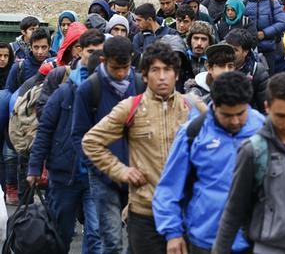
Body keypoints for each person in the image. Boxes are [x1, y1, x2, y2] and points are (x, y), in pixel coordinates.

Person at [82, 41, 206, 254]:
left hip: (186, 212)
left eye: (167, 70)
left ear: (176, 75)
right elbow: (91, 142)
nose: (161, 76)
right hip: (144, 213)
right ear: (145, 76)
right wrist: (121, 171)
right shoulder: (131, 107)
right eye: (155, 70)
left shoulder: (193, 106)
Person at [212, 73, 285, 254]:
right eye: (281, 116)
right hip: (268, 248)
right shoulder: (254, 150)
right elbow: (234, 210)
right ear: (267, 107)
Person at [153, 71, 265, 254]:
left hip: (254, 239)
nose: (235, 121)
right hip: (206, 239)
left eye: (240, 113)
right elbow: (168, 188)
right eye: (227, 115)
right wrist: (172, 233)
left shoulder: (262, 128)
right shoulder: (193, 133)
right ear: (214, 106)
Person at [27, 29, 104, 253]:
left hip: (96, 175)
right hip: (64, 176)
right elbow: (45, 129)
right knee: (62, 233)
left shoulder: (109, 87)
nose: (96, 57)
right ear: (79, 52)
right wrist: (34, 168)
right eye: (91, 51)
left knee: (96, 233)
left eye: (101, 52)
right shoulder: (62, 85)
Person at [72, 36, 146, 254]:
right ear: (103, 61)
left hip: (137, 175)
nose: (122, 74)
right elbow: (79, 135)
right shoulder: (89, 89)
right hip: (103, 177)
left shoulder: (141, 84)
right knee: (111, 240)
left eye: (125, 68)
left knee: (138, 240)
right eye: (116, 68)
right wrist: (96, 168)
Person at [244, 0, 285, 72]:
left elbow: (282, 22)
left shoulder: (273, 4)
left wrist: (265, 33)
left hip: (268, 48)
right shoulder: (244, 4)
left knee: (268, 77)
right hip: (249, 48)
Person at [224, 29, 269, 113]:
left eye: (235, 50)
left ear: (245, 52)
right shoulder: (218, 65)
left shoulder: (257, 71)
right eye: (227, 48)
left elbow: (265, 109)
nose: (229, 53)